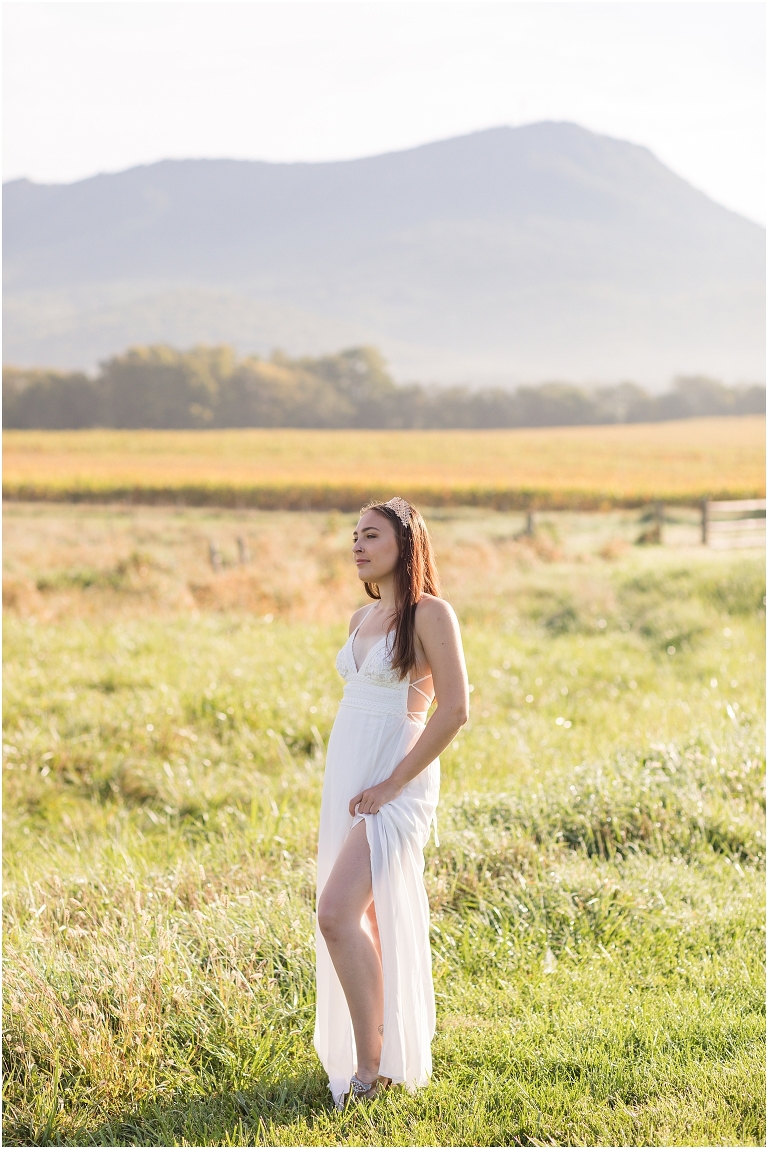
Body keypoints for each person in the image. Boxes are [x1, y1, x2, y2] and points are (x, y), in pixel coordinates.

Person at [314, 497, 469, 1108]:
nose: (357, 545)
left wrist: (390, 784)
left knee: (336, 914)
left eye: (371, 535)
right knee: (366, 919)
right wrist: (357, 783)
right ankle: (376, 1053)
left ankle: (369, 1070)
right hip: (350, 773)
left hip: (397, 780)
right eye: (354, 535)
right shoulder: (359, 618)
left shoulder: (431, 613)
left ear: (405, 545)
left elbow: (454, 709)